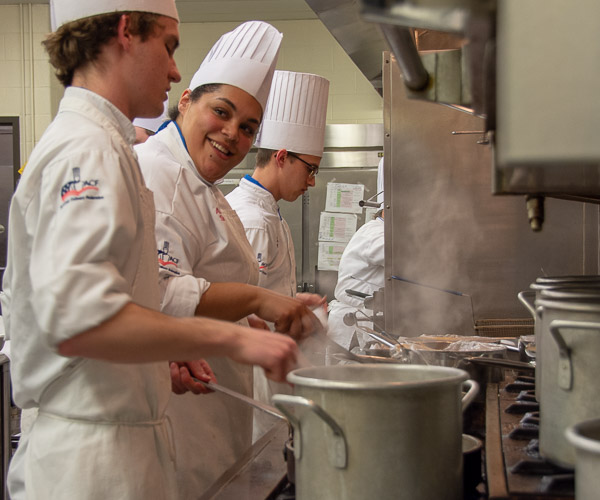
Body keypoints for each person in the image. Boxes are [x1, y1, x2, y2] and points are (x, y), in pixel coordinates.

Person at [0, 3, 301, 499]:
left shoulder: (104, 145)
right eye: (169, 45)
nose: (175, 67)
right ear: (126, 33)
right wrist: (234, 339)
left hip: (114, 445)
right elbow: (83, 318)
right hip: (91, 461)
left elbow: (109, 302)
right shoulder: (89, 150)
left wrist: (158, 360)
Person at [135, 22, 323, 497]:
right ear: (185, 101)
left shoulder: (207, 190)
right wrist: (263, 300)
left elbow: (199, 285)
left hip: (216, 406)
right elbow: (163, 293)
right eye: (221, 112)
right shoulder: (159, 173)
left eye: (247, 128)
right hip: (186, 420)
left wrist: (251, 319)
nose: (232, 135)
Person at [226, 70, 329, 437]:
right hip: (258, 376)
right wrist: (289, 316)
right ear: (282, 156)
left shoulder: (270, 212)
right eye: (311, 169)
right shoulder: (251, 218)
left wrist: (291, 302)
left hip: (273, 369)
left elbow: (258, 291)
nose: (312, 181)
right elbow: (237, 311)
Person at [327, 158, 385, 351]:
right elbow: (409, 259)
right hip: (353, 325)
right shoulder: (376, 233)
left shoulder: (381, 231)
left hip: (364, 322)